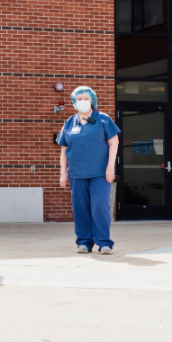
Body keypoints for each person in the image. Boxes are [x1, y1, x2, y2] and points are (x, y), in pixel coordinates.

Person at [58, 86, 120, 254]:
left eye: (86, 98)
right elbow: (63, 149)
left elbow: (114, 143)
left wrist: (110, 166)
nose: (83, 101)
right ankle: (84, 242)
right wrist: (63, 173)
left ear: (92, 100)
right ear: (74, 102)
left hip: (100, 173)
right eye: (79, 99)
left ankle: (104, 243)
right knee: (80, 208)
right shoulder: (70, 123)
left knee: (99, 206)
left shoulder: (103, 119)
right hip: (77, 174)